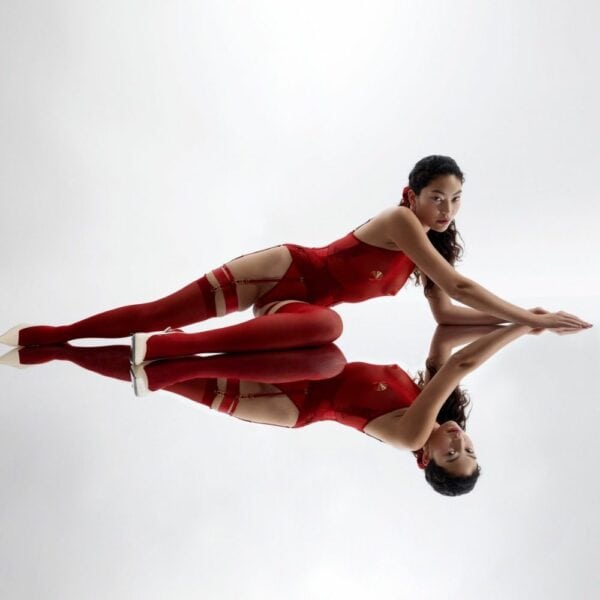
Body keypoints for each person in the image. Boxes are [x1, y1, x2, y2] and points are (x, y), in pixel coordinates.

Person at [0, 155, 591, 361]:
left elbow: (446, 316)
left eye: (456, 201)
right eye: (437, 197)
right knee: (160, 309)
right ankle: (44, 339)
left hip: (303, 303)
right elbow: (459, 287)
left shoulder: (424, 250)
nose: (445, 209)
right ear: (412, 195)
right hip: (284, 269)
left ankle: (163, 350)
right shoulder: (400, 223)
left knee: (329, 328)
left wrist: (519, 319)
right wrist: (535, 319)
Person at [2, 322, 544, 496]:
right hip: (305, 367)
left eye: (454, 456)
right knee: (167, 354)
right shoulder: (421, 395)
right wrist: (505, 313)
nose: (458, 442)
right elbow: (446, 336)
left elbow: (455, 367)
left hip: (287, 402)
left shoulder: (412, 432)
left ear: (429, 460)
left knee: (163, 374)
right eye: (469, 447)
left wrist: (524, 325)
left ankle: (49, 353)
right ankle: (47, 344)